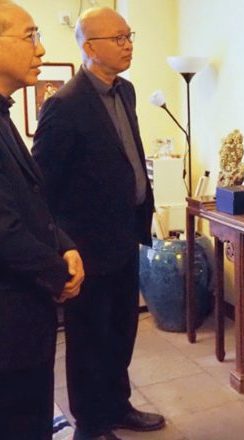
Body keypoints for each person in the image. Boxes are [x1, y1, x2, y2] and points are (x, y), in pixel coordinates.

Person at [32, 7, 162, 440]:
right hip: (87, 246)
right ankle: (91, 425)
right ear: (89, 47)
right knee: (89, 340)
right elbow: (42, 186)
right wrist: (62, 244)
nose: (128, 45)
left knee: (122, 331)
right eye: (118, 38)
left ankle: (118, 406)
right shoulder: (64, 105)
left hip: (126, 235)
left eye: (129, 35)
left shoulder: (126, 91)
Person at [0, 1, 84, 439]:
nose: (41, 48)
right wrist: (59, 274)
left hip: (24, 317)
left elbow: (32, 199)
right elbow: (4, 231)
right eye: (30, 35)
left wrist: (65, 244)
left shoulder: (4, 113)